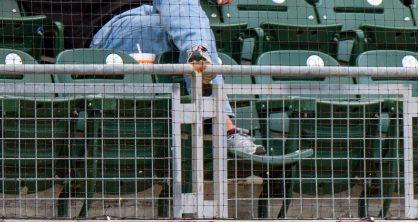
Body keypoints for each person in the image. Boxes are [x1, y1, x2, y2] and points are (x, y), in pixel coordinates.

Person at [30, 0, 267, 155]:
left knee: (183, 15)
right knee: (185, 26)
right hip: (112, 27)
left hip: (160, 11)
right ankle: (223, 123)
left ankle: (199, 58)